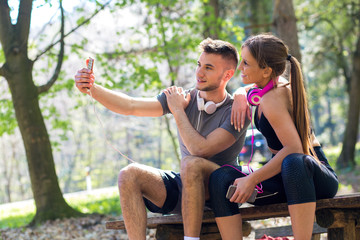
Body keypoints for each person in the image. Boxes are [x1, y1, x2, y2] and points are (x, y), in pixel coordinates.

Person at [74, 38, 250, 240]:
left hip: (220, 189)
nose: (199, 73)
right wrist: (93, 89)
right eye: (199, 65)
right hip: (186, 185)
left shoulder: (237, 111)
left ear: (227, 74)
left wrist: (177, 110)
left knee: (192, 163)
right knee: (128, 174)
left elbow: (200, 150)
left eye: (208, 68)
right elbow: (130, 106)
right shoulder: (183, 98)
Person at [208, 33, 339, 240]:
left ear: (266, 70)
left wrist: (252, 179)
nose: (240, 67)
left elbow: (295, 148)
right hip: (284, 178)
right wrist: (242, 92)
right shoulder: (269, 87)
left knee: (293, 162)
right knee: (220, 177)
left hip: (313, 177)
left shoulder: (273, 98)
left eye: (246, 63)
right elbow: (252, 88)